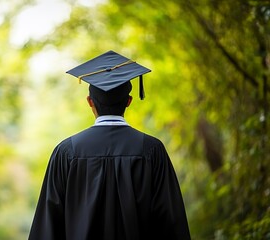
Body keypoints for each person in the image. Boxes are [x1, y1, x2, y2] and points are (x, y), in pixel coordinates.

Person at [28, 50, 191, 240]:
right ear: (129, 101)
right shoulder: (152, 151)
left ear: (90, 102)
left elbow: (48, 225)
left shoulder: (66, 152)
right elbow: (170, 223)